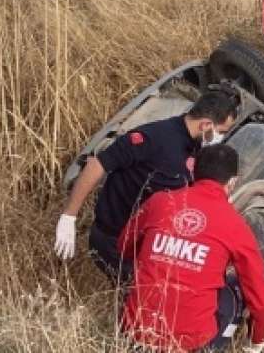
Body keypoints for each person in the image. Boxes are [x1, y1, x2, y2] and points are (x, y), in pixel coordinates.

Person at [54, 86, 240, 284]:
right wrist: (69, 216)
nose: (221, 138)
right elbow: (97, 165)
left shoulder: (195, 146)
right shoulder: (153, 138)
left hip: (151, 243)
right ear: (205, 125)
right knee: (146, 297)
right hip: (116, 240)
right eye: (221, 132)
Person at [119, 144, 264, 353]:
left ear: (193, 171)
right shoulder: (235, 225)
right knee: (237, 287)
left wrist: (164, 256)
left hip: (134, 330)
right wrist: (256, 340)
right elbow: (260, 297)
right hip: (188, 343)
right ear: (233, 182)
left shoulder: (160, 201)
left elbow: (124, 247)